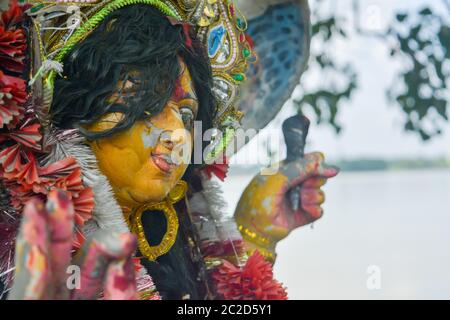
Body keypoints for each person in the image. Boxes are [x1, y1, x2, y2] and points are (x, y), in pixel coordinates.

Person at [0, 0, 337, 300]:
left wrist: (255, 231)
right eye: (143, 102)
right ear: (62, 115)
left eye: (186, 114)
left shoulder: (176, 239)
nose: (178, 133)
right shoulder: (22, 257)